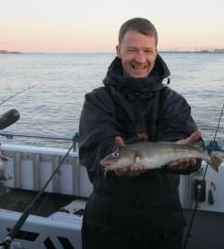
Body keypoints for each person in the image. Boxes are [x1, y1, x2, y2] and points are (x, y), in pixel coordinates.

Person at [78, 17, 201, 249]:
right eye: (132, 50)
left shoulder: (173, 101)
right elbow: (91, 151)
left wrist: (187, 159)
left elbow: (185, 145)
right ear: (118, 50)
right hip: (107, 225)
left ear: (156, 52)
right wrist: (114, 152)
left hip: (162, 226)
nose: (140, 59)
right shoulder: (97, 100)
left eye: (147, 50)